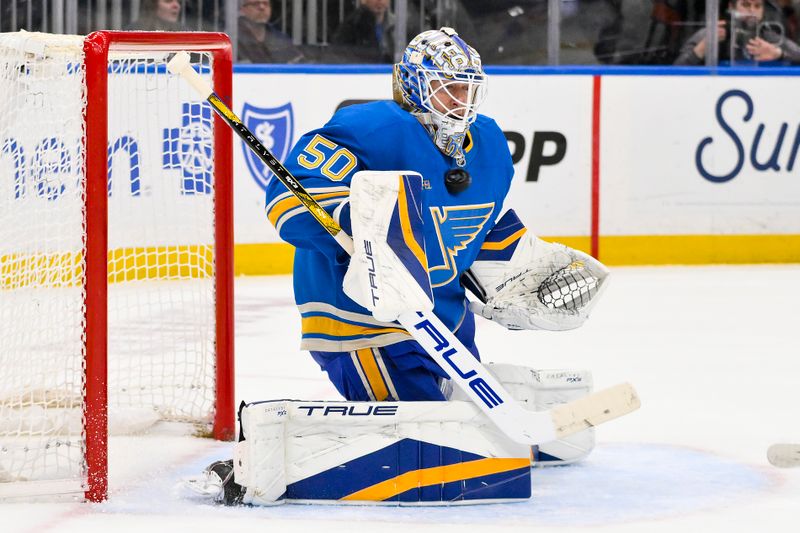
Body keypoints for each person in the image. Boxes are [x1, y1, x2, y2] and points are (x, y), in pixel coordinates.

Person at [187, 27, 607, 506]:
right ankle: (261, 460)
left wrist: (519, 269)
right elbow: (288, 202)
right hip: (363, 322)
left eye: (468, 85)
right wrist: (358, 226)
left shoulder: (487, 141)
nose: (461, 98)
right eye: (447, 85)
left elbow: (484, 222)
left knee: (470, 438)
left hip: (445, 322)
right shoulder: (368, 131)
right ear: (413, 86)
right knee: (436, 451)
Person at [674, 0, 800, 64]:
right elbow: (675, 71)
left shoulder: (768, 37)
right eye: (746, 4)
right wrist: (702, 47)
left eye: (757, 6)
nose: (752, 11)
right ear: (731, 7)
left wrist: (780, 54)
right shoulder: (711, 33)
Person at [237, 0, 304, 63]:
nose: (262, 7)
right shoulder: (233, 38)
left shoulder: (280, 39)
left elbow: (297, 65)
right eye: (255, 4)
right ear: (242, 9)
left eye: (266, 4)